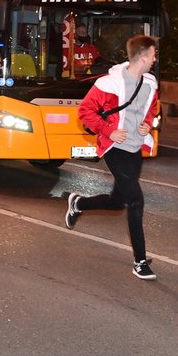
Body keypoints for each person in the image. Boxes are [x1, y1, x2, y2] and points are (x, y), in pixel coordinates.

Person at [67, 34, 160, 280]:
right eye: (152, 55)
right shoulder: (109, 83)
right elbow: (84, 111)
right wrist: (109, 130)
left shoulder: (150, 83)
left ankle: (79, 203)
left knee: (118, 201)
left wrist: (147, 124)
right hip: (114, 149)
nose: (154, 59)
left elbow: (151, 108)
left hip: (135, 148)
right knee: (136, 201)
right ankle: (140, 261)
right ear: (142, 57)